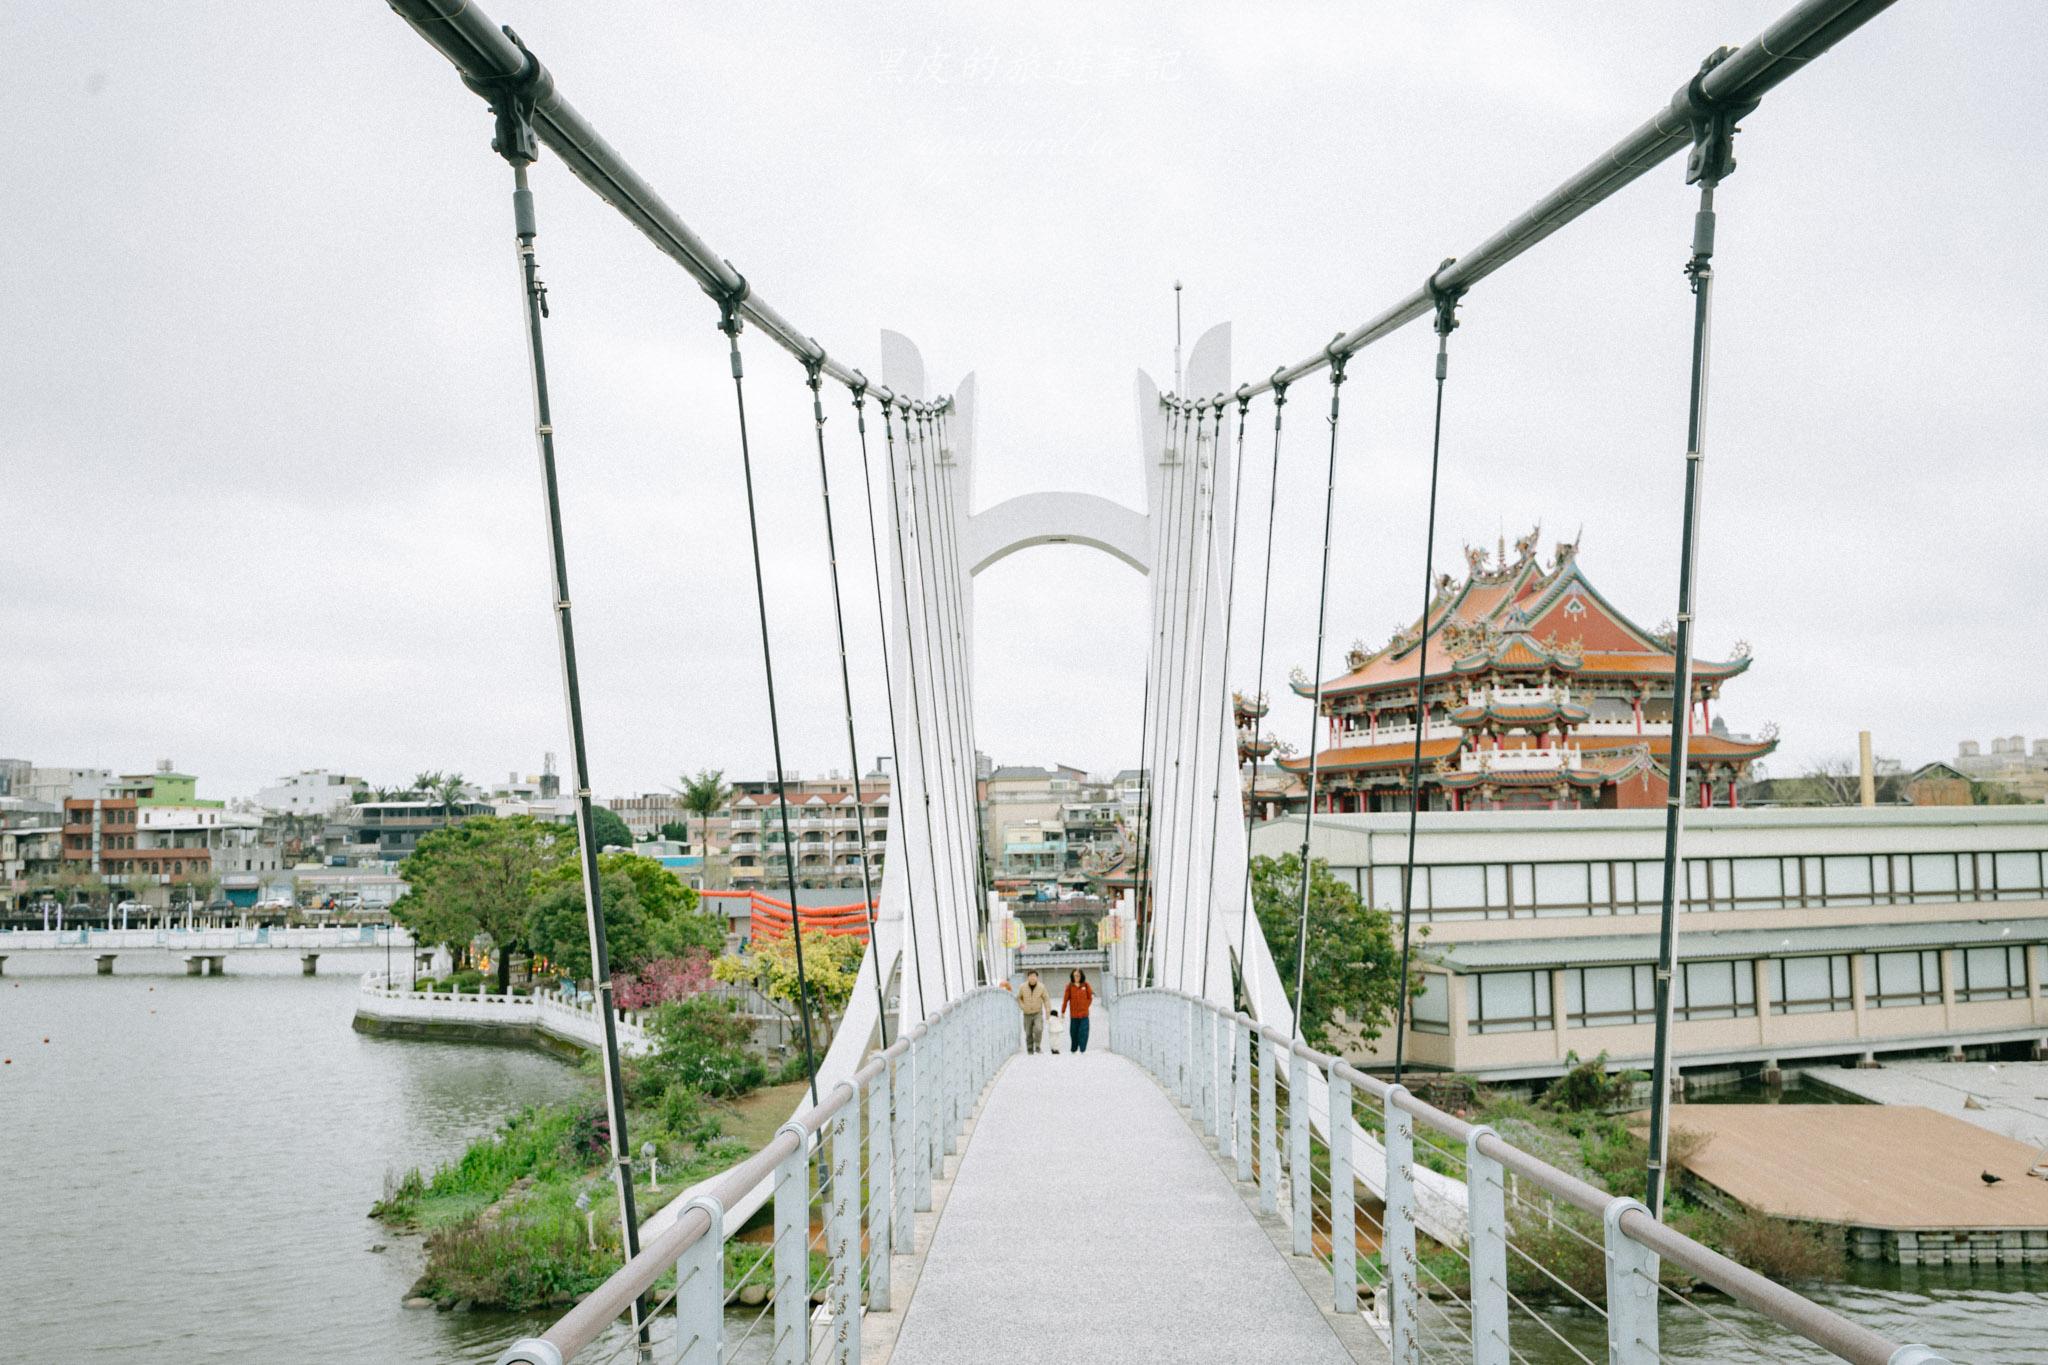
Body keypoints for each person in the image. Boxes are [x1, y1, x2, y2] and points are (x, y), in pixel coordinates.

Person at [1056, 967, 1093, 1054]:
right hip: (1074, 1015)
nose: (1076, 977)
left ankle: (1082, 1049)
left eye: (1078, 975)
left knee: (1083, 1032)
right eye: (1075, 975)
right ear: (1072, 976)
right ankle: (1074, 1049)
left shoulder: (1086, 985)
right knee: (1074, 1033)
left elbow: (1090, 998)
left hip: (1084, 1014)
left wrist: (1085, 1006)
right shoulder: (1069, 986)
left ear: (1081, 976)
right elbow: (1065, 999)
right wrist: (1063, 1011)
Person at [1015, 970, 1049, 1054]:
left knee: (1039, 1029)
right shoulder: (1022, 987)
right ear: (1028, 977)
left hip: (1037, 1012)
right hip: (1027, 1013)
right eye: (1030, 976)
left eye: (1034, 976)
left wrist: (1048, 1011)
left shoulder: (1041, 987)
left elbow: (1046, 999)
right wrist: (1023, 1007)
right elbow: (1018, 997)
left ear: (1037, 977)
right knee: (1028, 1032)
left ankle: (1037, 1046)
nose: (1032, 978)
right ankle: (1030, 1049)